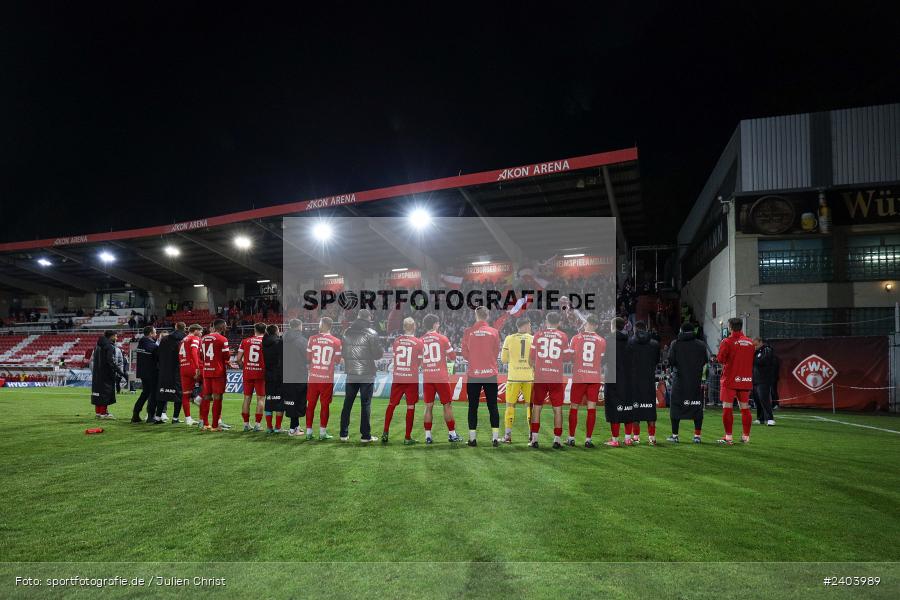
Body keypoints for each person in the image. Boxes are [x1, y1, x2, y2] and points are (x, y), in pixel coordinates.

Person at [339, 309, 382, 443]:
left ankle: (343, 434)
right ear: (369, 318)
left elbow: (344, 353)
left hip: (351, 373)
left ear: (358, 317)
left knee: (347, 404)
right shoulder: (371, 333)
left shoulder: (346, 332)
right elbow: (378, 354)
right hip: (366, 374)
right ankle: (365, 436)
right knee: (365, 405)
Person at [461, 305, 501, 447]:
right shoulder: (494, 332)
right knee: (493, 406)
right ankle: (495, 438)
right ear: (487, 316)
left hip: (474, 374)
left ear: (476, 316)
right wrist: (488, 360)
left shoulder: (468, 332)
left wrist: (474, 359)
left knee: (473, 406)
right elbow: (496, 352)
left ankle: (472, 439)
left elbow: (464, 353)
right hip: (490, 374)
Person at [528, 311, 569, 449]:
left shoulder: (538, 335)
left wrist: (537, 367)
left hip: (540, 376)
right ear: (559, 323)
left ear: (546, 321)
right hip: (556, 377)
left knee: (537, 408)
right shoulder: (563, 336)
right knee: (557, 409)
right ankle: (557, 440)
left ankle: (534, 440)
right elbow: (566, 357)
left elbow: (531, 358)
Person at [420, 313, 461, 444]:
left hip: (428, 377)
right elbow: (453, 357)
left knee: (428, 407)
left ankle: (428, 436)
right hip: (441, 377)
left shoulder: (420, 340)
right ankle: (452, 434)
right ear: (435, 324)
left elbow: (418, 361)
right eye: (438, 323)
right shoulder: (442, 338)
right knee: (447, 406)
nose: (439, 325)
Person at [382, 317, 424, 444]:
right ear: (414, 326)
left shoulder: (397, 341)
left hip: (398, 377)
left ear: (404, 327)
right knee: (410, 406)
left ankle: (385, 432)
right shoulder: (418, 342)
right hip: (411, 378)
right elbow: (420, 362)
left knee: (392, 404)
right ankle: (407, 437)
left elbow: (395, 360)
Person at [567, 314, 605, 448]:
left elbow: (570, 357)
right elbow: (601, 360)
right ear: (596, 325)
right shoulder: (601, 340)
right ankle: (588, 439)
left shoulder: (576, 338)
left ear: (586, 323)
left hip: (579, 376)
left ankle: (571, 438)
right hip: (594, 377)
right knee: (591, 408)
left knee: (574, 407)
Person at [666, 322, 708, 443]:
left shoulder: (675, 343)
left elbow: (671, 361)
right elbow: (705, 360)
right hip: (695, 381)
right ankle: (697, 436)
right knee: (696, 407)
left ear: (681, 330)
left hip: (679, 381)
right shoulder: (701, 344)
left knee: (676, 407)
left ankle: (675, 436)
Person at [716, 317, 756, 445]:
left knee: (727, 407)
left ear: (730, 327)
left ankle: (728, 437)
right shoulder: (750, 343)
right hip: (745, 379)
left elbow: (721, 359)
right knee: (745, 408)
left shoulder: (727, 341)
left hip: (730, 379)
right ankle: (746, 437)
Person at [305, 317, 339, 439]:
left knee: (311, 404)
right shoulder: (336, 341)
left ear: (324, 325)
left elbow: (308, 358)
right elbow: (338, 360)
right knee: (325, 405)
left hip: (313, 377)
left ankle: (309, 432)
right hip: (326, 378)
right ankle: (322, 433)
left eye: (320, 323)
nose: (318, 325)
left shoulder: (312, 339)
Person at [500, 317, 533, 444]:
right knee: (530, 406)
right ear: (524, 326)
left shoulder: (509, 338)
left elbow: (503, 359)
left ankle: (507, 436)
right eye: (529, 325)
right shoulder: (533, 339)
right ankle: (532, 435)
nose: (530, 328)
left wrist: (514, 359)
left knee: (510, 405)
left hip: (513, 377)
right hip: (529, 377)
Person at [628, 320, 660, 445]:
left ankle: (636, 437)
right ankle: (652, 438)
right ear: (646, 329)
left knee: (635, 408)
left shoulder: (630, 342)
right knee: (650, 409)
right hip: (648, 380)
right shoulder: (654, 343)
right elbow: (656, 360)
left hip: (634, 380)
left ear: (635, 329)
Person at [603, 317, 633, 446]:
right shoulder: (630, 341)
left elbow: (603, 359)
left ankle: (615, 440)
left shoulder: (608, 340)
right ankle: (627, 438)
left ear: (613, 326)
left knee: (613, 407)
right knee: (628, 407)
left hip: (612, 377)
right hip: (628, 379)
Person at [235, 323, 267, 431]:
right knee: (261, 399)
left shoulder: (245, 341)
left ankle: (245, 424)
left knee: (247, 398)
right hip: (261, 373)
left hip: (248, 372)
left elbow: (238, 359)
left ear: (255, 330)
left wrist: (244, 367)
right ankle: (257, 425)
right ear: (265, 330)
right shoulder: (266, 341)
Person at [200, 319, 230, 431]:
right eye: (225, 326)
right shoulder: (223, 339)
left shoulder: (203, 338)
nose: (226, 327)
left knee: (206, 397)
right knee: (217, 398)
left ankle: (205, 424)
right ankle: (215, 426)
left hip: (206, 370)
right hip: (218, 372)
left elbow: (201, 355)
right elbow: (226, 356)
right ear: (221, 327)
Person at [281, 318, 310, 438]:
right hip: (299, 374)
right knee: (299, 401)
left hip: (286, 374)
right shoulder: (302, 341)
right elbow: (308, 357)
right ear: (299, 326)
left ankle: (294, 426)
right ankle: (293, 428)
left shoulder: (282, 339)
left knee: (290, 400)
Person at [91, 330, 127, 419]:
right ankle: (104, 414)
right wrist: (121, 373)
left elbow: (93, 361)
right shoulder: (110, 347)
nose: (116, 338)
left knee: (98, 393)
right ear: (111, 336)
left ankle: (98, 413)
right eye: (115, 336)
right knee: (105, 394)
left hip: (97, 374)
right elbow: (110, 362)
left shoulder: (97, 346)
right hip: (107, 374)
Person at [157, 322, 187, 424]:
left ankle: (157, 417)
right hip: (178, 370)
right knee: (178, 395)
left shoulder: (165, 339)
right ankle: (175, 418)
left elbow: (159, 354)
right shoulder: (185, 339)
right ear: (184, 328)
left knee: (162, 393)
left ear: (175, 327)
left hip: (164, 370)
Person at [132, 326, 160, 423]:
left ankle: (135, 414)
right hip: (151, 373)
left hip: (143, 372)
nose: (156, 334)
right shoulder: (152, 345)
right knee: (153, 395)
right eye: (155, 332)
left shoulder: (141, 343)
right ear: (150, 334)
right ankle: (150, 416)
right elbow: (157, 356)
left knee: (145, 393)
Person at [177, 324, 203, 426]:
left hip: (183, 367)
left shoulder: (182, 340)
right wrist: (197, 367)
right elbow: (193, 352)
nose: (201, 334)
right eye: (200, 331)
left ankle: (188, 419)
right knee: (210, 382)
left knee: (186, 395)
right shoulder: (195, 338)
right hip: (193, 367)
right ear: (195, 330)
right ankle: (198, 399)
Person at [261, 324, 284, 433]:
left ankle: (269, 427)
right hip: (279, 375)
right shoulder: (279, 342)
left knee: (269, 400)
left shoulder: (264, 342)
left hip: (268, 374)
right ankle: (278, 427)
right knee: (279, 400)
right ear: (276, 331)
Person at [752, 337, 776, 426]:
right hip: (755, 379)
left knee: (764, 399)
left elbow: (763, 361)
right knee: (757, 399)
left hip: (764, 379)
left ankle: (770, 418)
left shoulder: (767, 350)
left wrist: (752, 358)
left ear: (761, 342)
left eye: (756, 345)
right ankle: (760, 418)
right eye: (753, 345)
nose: (755, 347)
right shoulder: (756, 352)